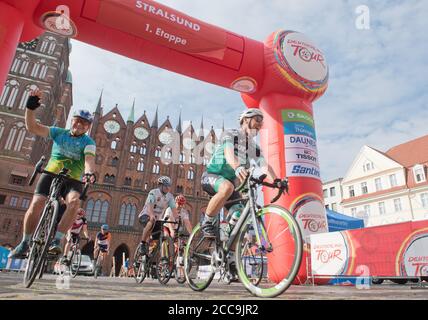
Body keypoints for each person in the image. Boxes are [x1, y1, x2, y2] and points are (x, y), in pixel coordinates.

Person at [9, 90, 97, 259]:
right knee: (37, 203)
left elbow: (89, 160)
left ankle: (56, 241)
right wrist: (30, 109)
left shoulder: (89, 142)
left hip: (72, 179)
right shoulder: (58, 132)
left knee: (74, 202)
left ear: (88, 127)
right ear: (72, 120)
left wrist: (89, 174)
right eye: (78, 121)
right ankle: (25, 242)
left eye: (85, 124)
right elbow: (32, 127)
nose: (80, 125)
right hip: (50, 173)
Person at [200, 108, 277, 237]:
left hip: (229, 184)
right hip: (211, 176)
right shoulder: (231, 134)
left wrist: (276, 181)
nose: (260, 124)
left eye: (261, 123)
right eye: (257, 120)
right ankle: (207, 222)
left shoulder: (253, 146)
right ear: (246, 120)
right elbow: (229, 154)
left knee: (240, 215)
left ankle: (228, 249)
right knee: (227, 187)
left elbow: (264, 166)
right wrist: (238, 167)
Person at [137, 176, 178, 255]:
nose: (168, 188)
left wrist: (177, 219)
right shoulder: (153, 192)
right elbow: (149, 206)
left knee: (158, 238)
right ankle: (142, 243)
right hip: (146, 215)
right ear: (161, 185)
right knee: (150, 222)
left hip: (158, 220)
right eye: (166, 185)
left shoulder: (170, 197)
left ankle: (150, 253)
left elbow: (174, 209)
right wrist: (151, 215)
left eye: (169, 186)